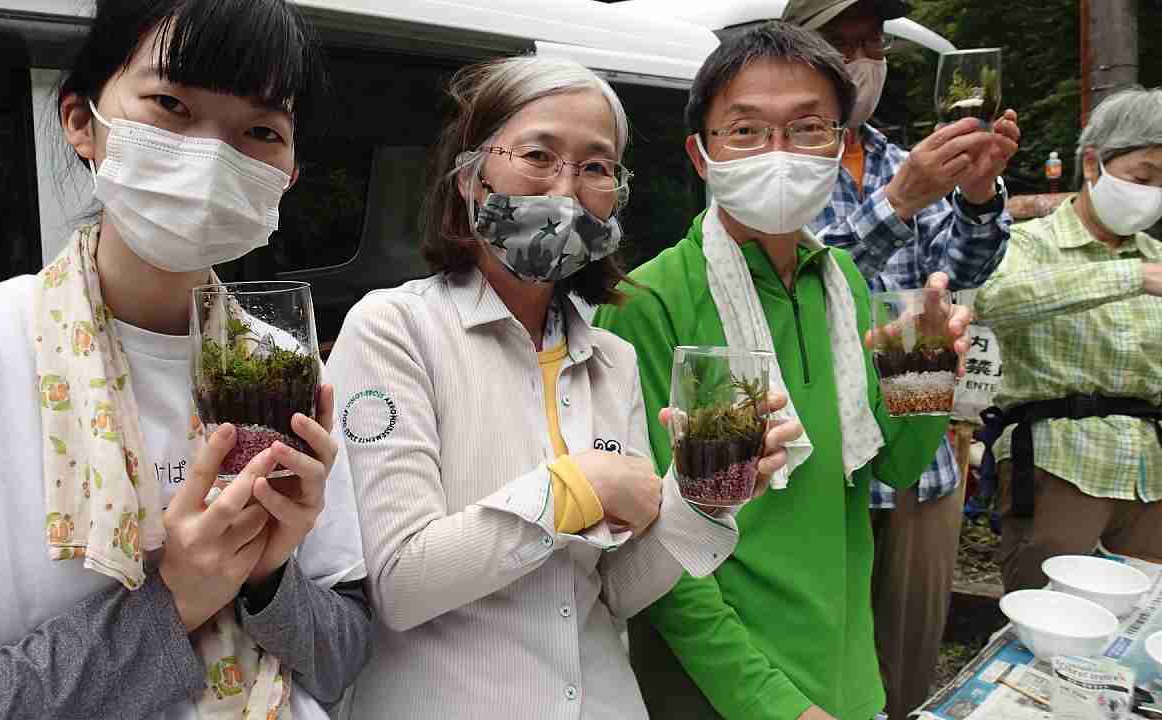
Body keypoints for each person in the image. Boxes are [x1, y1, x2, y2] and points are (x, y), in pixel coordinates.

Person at [0, 2, 374, 719]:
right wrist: (171, 599)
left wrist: (269, 578)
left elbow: (344, 650)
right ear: (83, 122)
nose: (214, 156)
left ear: (289, 174)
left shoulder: (283, 367)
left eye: (260, 131)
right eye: (171, 104)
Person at [324, 56, 802, 720]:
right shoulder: (394, 331)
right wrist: (579, 488)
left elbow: (612, 591)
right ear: (472, 176)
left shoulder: (611, 358)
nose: (568, 188)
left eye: (597, 166)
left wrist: (701, 501)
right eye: (540, 154)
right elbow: (398, 584)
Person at [594, 22, 971, 720]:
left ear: (839, 143)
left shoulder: (844, 280)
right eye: (745, 131)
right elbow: (650, 540)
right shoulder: (648, 302)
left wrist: (927, 378)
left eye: (807, 129)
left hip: (844, 670)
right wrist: (773, 706)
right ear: (701, 155)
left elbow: (890, 467)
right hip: (718, 688)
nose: (779, 154)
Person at [780, 2, 1020, 716]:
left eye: (874, 42)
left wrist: (978, 197)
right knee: (823, 655)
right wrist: (898, 201)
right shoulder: (774, 162)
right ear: (798, 51)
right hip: (821, 459)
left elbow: (966, 274)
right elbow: (801, 281)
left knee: (910, 653)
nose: (865, 57)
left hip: (923, 447)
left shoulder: (897, 155)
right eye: (843, 42)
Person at [975, 87, 1162, 592]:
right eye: (1144, 177)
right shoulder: (1028, 240)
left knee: (1142, 629)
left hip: (1151, 472)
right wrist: (1130, 278)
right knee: (1052, 617)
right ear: (1094, 165)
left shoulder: (1154, 254)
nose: (1154, 193)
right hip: (1060, 463)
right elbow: (996, 302)